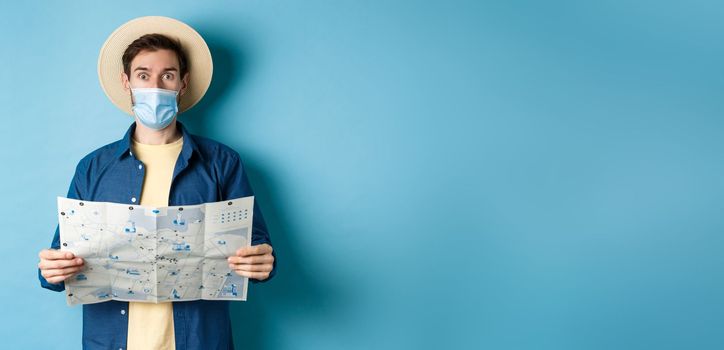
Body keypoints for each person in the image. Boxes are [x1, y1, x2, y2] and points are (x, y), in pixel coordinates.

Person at [36, 16, 276, 350]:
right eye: (143, 75)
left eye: (168, 75)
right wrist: (51, 269)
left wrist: (264, 261)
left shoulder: (223, 162)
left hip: (200, 341)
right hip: (111, 341)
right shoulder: (93, 168)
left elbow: (258, 248)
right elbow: (59, 263)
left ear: (183, 83)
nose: (155, 86)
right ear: (127, 82)